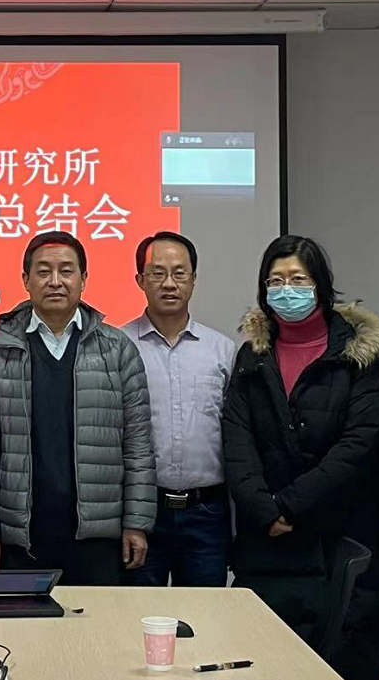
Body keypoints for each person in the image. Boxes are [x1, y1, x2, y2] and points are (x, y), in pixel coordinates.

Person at [221, 235, 379, 680]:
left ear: (320, 285)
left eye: (298, 279)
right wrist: (264, 509)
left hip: (335, 536)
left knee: (338, 661)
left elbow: (358, 443)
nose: (286, 290)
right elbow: (237, 439)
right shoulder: (251, 356)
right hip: (265, 544)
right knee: (260, 662)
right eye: (275, 281)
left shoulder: (356, 354)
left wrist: (290, 505)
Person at [0, 231, 156, 585]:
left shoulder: (117, 350)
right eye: (43, 271)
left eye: (66, 271)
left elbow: (138, 446)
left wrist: (137, 523)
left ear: (84, 279)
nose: (55, 281)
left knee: (99, 621)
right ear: (25, 280)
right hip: (22, 537)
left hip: (99, 535)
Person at [123, 231, 236, 587]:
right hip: (141, 513)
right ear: (140, 280)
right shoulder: (117, 346)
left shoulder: (222, 351)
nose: (169, 283)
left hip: (207, 512)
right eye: (157, 273)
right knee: (139, 613)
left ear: (193, 279)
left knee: (206, 614)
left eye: (179, 273)